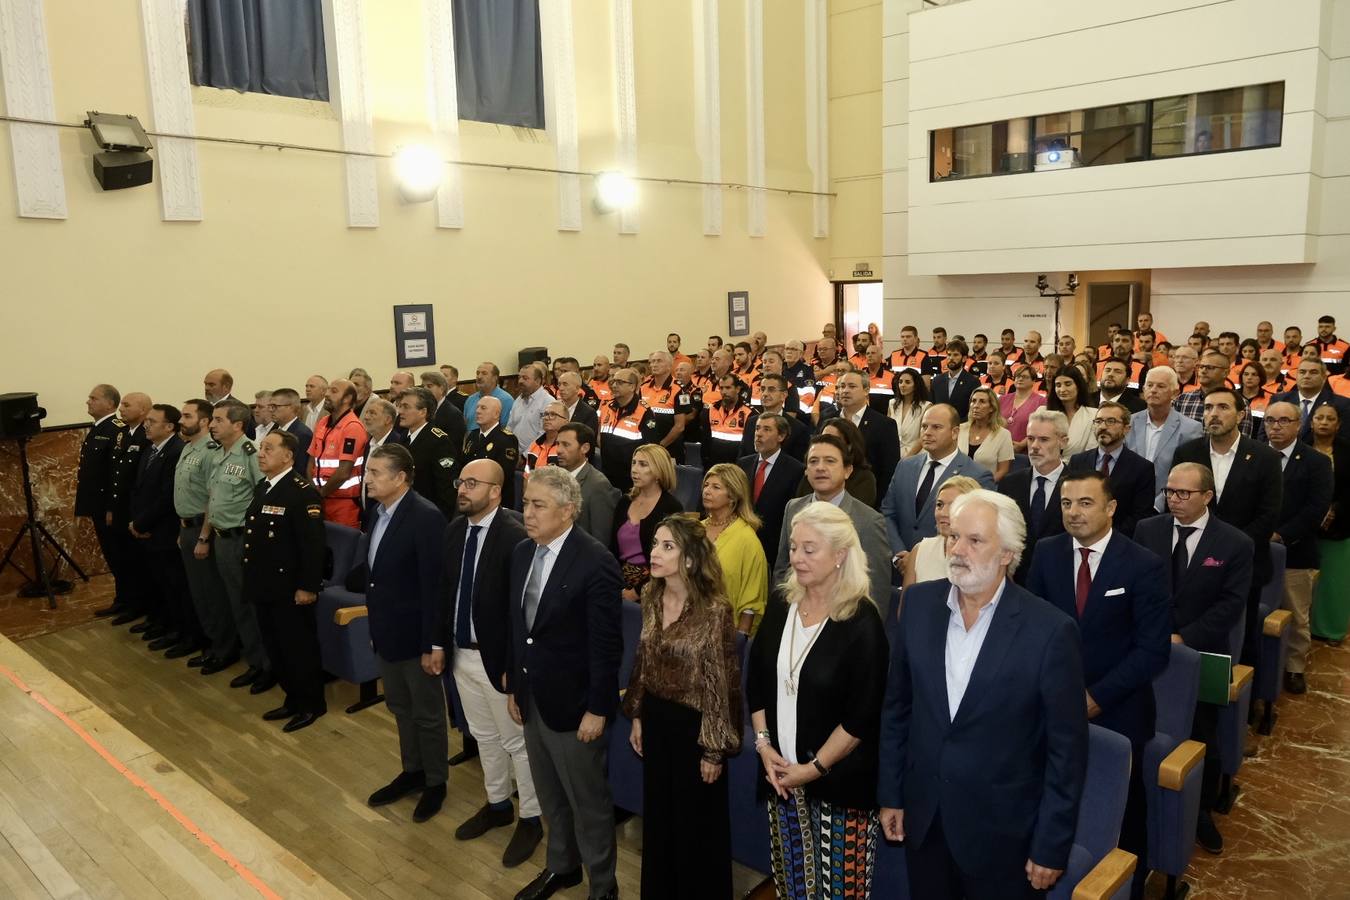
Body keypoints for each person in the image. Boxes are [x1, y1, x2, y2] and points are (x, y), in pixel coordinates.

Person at [879, 489, 1087, 897]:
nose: (957, 549)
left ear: (1007, 553)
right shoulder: (918, 604)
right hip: (925, 821)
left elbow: (1067, 753)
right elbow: (898, 708)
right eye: (954, 536)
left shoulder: (1050, 631)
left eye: (975, 541)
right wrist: (891, 794)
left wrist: (1051, 845)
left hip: (1003, 837)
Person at [1027, 471, 1169, 896]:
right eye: (1067, 503)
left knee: (1122, 809)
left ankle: (1130, 888)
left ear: (1110, 508)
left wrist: (1094, 698)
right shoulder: (1047, 553)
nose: (1073, 512)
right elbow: (1031, 628)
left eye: (1085, 503)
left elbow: (1152, 651)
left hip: (1119, 709)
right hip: (1051, 704)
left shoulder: (1143, 564)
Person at [748, 501, 889, 899]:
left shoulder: (862, 622)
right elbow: (757, 681)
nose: (796, 557)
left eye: (810, 549)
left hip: (841, 788)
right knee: (791, 885)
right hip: (781, 778)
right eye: (794, 547)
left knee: (839, 893)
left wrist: (812, 769)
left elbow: (862, 718)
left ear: (840, 555)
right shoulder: (780, 604)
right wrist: (763, 746)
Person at [507, 466, 622, 900]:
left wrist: (597, 708)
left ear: (568, 510)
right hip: (534, 697)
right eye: (526, 503)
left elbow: (606, 646)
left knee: (587, 803)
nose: (528, 513)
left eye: (538, 505)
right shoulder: (522, 553)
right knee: (550, 794)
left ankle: (603, 886)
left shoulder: (596, 561)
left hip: (575, 706)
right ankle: (562, 867)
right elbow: (521, 628)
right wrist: (517, 688)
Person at [1135, 463, 1253, 854]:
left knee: (1201, 731)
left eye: (1184, 494)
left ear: (1207, 496)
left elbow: (1231, 605)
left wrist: (1184, 638)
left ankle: (1199, 810)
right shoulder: (1148, 529)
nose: (1174, 500)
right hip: (1148, 649)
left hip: (1202, 652)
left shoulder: (1235, 543)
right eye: (1169, 492)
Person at [430, 458, 543, 866]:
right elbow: (444, 590)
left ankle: (531, 816)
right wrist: (438, 644)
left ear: (496, 491)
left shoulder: (515, 537)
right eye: (461, 481)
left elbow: (521, 612)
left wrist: (516, 667)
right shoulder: (455, 529)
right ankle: (498, 804)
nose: (462, 489)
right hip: (461, 653)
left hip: (498, 661)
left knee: (518, 744)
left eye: (472, 483)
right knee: (484, 736)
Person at [623, 516, 741, 900]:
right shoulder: (653, 596)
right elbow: (643, 658)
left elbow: (721, 683)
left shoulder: (714, 609)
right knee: (660, 819)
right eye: (655, 544)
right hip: (657, 720)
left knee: (695, 828)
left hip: (695, 729)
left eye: (667, 546)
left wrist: (713, 749)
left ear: (689, 559)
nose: (654, 553)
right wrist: (637, 714)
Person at [360, 444, 452, 823]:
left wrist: (434, 643)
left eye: (375, 473)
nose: (367, 479)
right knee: (399, 707)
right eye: (368, 471)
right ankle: (412, 770)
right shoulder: (377, 512)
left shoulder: (425, 517)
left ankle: (435, 782)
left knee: (427, 713)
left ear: (400, 478)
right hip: (388, 631)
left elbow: (436, 586)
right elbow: (376, 576)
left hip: (417, 638)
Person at [1172, 388, 1282, 666]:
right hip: (1190, 562)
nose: (1213, 414)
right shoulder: (1188, 452)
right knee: (1191, 632)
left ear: (1241, 415)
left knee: (1240, 639)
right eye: (1208, 408)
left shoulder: (1264, 457)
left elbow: (1268, 514)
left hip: (1245, 561)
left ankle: (1244, 701)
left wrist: (1227, 548)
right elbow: (1176, 503)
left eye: (1222, 407)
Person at [242, 431, 327, 733]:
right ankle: (292, 698)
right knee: (276, 647)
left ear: (288, 456)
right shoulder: (265, 486)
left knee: (298, 648)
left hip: (290, 588)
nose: (261, 454)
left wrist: (307, 587)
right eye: (260, 448)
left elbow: (312, 546)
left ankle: (311, 704)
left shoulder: (301, 492)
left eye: (268, 449)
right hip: (265, 585)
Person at [1262, 401, 1334, 694]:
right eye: (1269, 420)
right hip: (1253, 547)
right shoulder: (1252, 454)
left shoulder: (1316, 462)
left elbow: (1316, 509)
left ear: (1298, 425)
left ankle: (1294, 668)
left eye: (1283, 421)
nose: (1275, 426)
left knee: (1295, 611)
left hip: (1295, 550)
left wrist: (1280, 535)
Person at [774, 436, 893, 613]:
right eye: (813, 461)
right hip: (796, 612)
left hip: (843, 619)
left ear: (847, 470)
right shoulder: (793, 507)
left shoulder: (868, 520)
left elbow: (877, 588)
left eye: (830, 461)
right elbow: (782, 567)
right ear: (806, 470)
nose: (820, 467)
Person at [199, 400, 271, 687]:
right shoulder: (218, 455)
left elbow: (264, 496)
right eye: (212, 420)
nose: (212, 425)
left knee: (253, 605)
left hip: (244, 538)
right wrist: (205, 535)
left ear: (238, 425)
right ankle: (254, 661)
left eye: (218, 420)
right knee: (237, 604)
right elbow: (213, 499)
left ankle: (268, 665)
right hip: (222, 538)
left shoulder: (251, 455)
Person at [881, 404, 995, 563]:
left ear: (955, 432)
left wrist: (921, 558)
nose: (927, 432)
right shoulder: (905, 466)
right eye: (924, 426)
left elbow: (979, 530)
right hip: (898, 565)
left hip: (945, 568)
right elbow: (888, 513)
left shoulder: (977, 476)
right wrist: (900, 553)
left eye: (936, 427)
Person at [127, 403, 188, 648]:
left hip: (164, 528)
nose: (146, 425)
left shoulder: (176, 451)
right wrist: (136, 521)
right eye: (147, 420)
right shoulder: (151, 449)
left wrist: (143, 522)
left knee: (173, 583)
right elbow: (140, 489)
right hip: (146, 527)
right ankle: (158, 620)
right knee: (155, 579)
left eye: (152, 421)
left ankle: (176, 628)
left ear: (170, 426)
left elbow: (166, 497)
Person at [171, 399, 220, 663]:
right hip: (188, 527)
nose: (181, 420)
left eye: (187, 416)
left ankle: (220, 646)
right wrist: (183, 529)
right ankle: (207, 640)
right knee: (197, 592)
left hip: (204, 529)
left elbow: (213, 498)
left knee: (210, 592)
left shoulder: (210, 451)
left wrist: (203, 536)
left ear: (203, 421)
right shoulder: (188, 448)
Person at [998, 409, 1070, 584]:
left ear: (1063, 442)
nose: (1035, 446)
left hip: (1061, 579)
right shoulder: (1010, 483)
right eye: (1030, 439)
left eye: (1044, 439)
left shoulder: (1078, 485)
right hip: (1015, 580)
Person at [1066, 401, 1157, 537]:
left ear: (1126, 429)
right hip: (1078, 537)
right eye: (1099, 421)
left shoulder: (1142, 468)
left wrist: (1104, 536)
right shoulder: (1077, 462)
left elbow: (1140, 516)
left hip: (1119, 542)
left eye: (1111, 421)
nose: (1103, 426)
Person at [701, 464, 769, 634]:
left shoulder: (747, 540)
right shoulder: (694, 529)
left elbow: (751, 604)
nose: (707, 491)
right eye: (706, 485)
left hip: (723, 634)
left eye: (716, 487)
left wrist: (739, 644)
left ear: (733, 496)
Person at [610, 444, 683, 601]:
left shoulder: (671, 507)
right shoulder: (624, 501)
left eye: (643, 464)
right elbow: (612, 549)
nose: (635, 469)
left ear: (659, 471)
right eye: (634, 463)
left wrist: (636, 592)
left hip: (654, 586)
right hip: (618, 581)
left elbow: (671, 558)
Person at [1126, 366, 1203, 511]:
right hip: (1128, 502)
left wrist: (1157, 505)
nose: (1153, 390)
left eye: (1161, 386)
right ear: (1143, 390)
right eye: (1149, 385)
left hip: (1168, 505)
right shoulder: (1128, 423)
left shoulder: (1190, 429)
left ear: (1175, 393)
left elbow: (1187, 474)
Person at [819, 370, 901, 503]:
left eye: (852, 386)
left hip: (867, 498)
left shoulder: (884, 424)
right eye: (841, 386)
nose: (844, 391)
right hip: (827, 497)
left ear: (866, 390)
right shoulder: (827, 418)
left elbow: (889, 471)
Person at [106, 392, 152, 625]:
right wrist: (112, 508)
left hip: (136, 511)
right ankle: (126, 600)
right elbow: (117, 474)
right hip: (122, 508)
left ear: (143, 410)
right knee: (123, 558)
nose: (121, 409)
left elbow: (141, 480)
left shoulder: (147, 436)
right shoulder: (123, 434)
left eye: (126, 405)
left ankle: (139, 604)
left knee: (138, 563)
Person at [80, 384, 125, 618]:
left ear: (109, 404)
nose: (88, 401)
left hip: (108, 507)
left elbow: (115, 474)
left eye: (93, 398)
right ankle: (124, 598)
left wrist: (111, 508)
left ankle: (126, 599)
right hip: (96, 504)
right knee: (111, 554)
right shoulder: (98, 428)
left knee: (119, 555)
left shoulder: (115, 429)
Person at [739, 413, 806, 570]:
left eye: (767, 429)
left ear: (781, 436)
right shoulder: (743, 464)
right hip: (743, 543)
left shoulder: (795, 470)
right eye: (757, 428)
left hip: (773, 549)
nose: (759, 434)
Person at [1310, 403, 1350, 643]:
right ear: (1312, 421)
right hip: (1304, 524)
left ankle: (1330, 629)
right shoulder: (1301, 448)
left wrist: (1335, 509)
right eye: (1319, 417)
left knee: (1333, 582)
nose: (1324, 422)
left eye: (1330, 418)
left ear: (1338, 424)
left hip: (1339, 526)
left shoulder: (1347, 451)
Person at [900, 475, 980, 591]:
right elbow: (906, 606)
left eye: (953, 506)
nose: (942, 513)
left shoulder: (984, 555)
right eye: (939, 505)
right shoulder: (920, 550)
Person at [308, 379, 369, 528]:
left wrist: (320, 494)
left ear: (347, 398)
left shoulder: (352, 427)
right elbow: (311, 461)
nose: (327, 394)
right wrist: (313, 493)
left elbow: (344, 472)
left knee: (343, 547)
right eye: (328, 390)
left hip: (343, 504)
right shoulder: (323, 422)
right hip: (319, 500)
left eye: (334, 391)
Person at [398, 387, 459, 518]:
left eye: (406, 407)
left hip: (427, 515)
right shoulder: (403, 437)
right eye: (400, 406)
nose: (400, 411)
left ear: (423, 412)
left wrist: (439, 520)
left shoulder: (439, 441)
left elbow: (446, 490)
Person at [555, 423, 619, 543]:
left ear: (585, 448)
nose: (558, 450)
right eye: (557, 444)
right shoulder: (554, 477)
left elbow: (600, 539)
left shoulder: (599, 485)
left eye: (566, 445)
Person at [598, 367, 656, 492]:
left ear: (632, 387)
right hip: (607, 473)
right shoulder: (606, 406)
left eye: (619, 382)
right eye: (613, 381)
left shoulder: (644, 412)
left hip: (631, 477)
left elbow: (650, 448)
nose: (614, 385)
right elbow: (599, 435)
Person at [797, 417, 878, 507]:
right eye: (824, 438)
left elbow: (855, 513)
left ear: (849, 446)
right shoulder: (812, 472)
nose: (827, 444)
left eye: (834, 440)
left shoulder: (864, 478)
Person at [463, 396, 521, 510]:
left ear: (496, 414)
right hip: (471, 495)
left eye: (483, 408)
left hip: (495, 500)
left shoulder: (507, 439)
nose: (478, 411)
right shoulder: (473, 436)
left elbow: (503, 474)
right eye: (477, 407)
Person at [1273, 358, 1350, 442]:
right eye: (1302, 372)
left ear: (1324, 377)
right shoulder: (1279, 399)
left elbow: (1343, 440)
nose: (1306, 376)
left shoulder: (1342, 404)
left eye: (1313, 372)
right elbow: (1265, 434)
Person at [740, 373, 810, 461]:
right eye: (762, 389)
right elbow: (742, 456)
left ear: (783, 395)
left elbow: (797, 467)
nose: (765, 394)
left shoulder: (798, 429)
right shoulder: (751, 422)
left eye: (771, 390)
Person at [956, 386, 1014, 482]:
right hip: (957, 485)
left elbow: (1003, 470)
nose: (976, 405)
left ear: (991, 408)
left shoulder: (1004, 434)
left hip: (986, 488)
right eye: (973, 401)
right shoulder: (960, 429)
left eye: (982, 402)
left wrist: (984, 484)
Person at [703, 373, 754, 468]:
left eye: (728, 388)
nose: (724, 391)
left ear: (738, 389)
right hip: (713, 465)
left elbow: (749, 447)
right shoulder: (711, 410)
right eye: (721, 388)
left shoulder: (749, 412)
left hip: (736, 466)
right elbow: (706, 441)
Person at [1047, 366, 1098, 456]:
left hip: (1080, 468)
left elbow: (1091, 452)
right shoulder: (1044, 413)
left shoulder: (1093, 415)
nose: (1062, 389)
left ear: (1078, 386)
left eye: (1068, 384)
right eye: (1058, 385)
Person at [1000, 364, 1048, 453]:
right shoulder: (1002, 399)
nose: (1020, 379)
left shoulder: (1041, 402)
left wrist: (1022, 444)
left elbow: (1041, 428)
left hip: (1026, 451)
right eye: (1018, 376)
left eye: (1025, 377)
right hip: (1000, 448)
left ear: (1033, 381)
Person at [930, 339, 981, 420]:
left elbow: (973, 410)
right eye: (949, 355)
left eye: (956, 355)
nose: (951, 358)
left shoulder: (973, 382)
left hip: (962, 427)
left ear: (964, 358)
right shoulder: (937, 381)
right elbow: (932, 406)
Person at [509, 362, 554, 451]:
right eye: (519, 378)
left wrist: (525, 456)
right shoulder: (518, 400)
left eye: (525, 378)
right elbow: (510, 426)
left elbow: (543, 434)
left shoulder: (548, 402)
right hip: (514, 452)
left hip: (535, 455)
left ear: (537, 381)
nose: (520, 381)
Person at [269, 388, 313, 478]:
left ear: (291, 407)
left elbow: (300, 470)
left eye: (275, 406)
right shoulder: (273, 430)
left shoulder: (302, 434)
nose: (271, 410)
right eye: (270, 406)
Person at [890, 368, 931, 460]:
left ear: (916, 385)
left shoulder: (926, 406)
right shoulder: (892, 404)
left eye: (907, 382)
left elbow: (923, 436)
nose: (902, 385)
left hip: (917, 456)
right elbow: (888, 432)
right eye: (900, 382)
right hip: (893, 453)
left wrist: (907, 458)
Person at [463, 362, 515, 432]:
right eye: (477, 373)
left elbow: (506, 429)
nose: (479, 377)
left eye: (484, 373)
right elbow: (466, 428)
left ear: (495, 378)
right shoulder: (470, 400)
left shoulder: (506, 400)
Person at [526, 402, 567, 474]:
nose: (547, 418)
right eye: (545, 414)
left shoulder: (567, 448)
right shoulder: (534, 445)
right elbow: (527, 476)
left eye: (553, 415)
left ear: (565, 422)